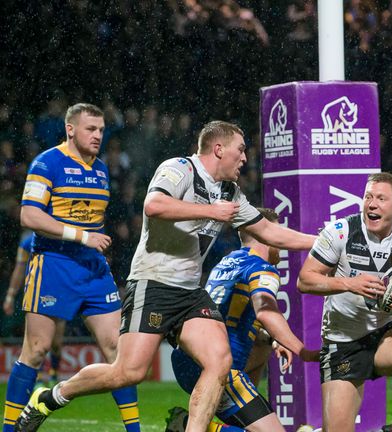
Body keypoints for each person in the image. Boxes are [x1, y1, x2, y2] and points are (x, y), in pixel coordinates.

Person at [16, 120, 317, 432]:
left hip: (190, 292)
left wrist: (319, 244)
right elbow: (154, 204)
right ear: (218, 149)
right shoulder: (179, 168)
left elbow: (269, 232)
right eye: (240, 150)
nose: (245, 157)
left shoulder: (231, 192)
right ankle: (51, 397)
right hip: (154, 283)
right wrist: (213, 212)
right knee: (128, 372)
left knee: (220, 360)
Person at [6, 103, 141, 432]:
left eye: (100, 130)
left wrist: (90, 242)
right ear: (70, 129)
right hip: (53, 263)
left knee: (118, 352)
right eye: (90, 129)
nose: (98, 135)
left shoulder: (101, 169)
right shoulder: (47, 162)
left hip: (92, 269)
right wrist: (82, 236)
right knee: (36, 350)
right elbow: (30, 216)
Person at [297, 172, 392, 432]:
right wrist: (348, 283)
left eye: (381, 199)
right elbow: (304, 281)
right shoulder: (341, 231)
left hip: (383, 336)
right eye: (368, 197)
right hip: (342, 343)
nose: (372, 204)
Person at [166, 207, 318, 432]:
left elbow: (229, 316)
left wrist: (274, 340)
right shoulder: (261, 268)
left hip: (187, 359)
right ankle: (194, 426)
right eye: (279, 235)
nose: (283, 244)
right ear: (266, 236)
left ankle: (208, 424)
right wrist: (303, 351)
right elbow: (265, 312)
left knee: (261, 348)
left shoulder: (227, 262)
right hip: (218, 368)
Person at [3, 232, 66, 390]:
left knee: (56, 342)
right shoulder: (27, 242)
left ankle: (53, 374)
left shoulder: (61, 238)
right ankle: (37, 377)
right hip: (36, 293)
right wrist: (10, 295)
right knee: (37, 342)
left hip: (59, 292)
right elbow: (19, 268)